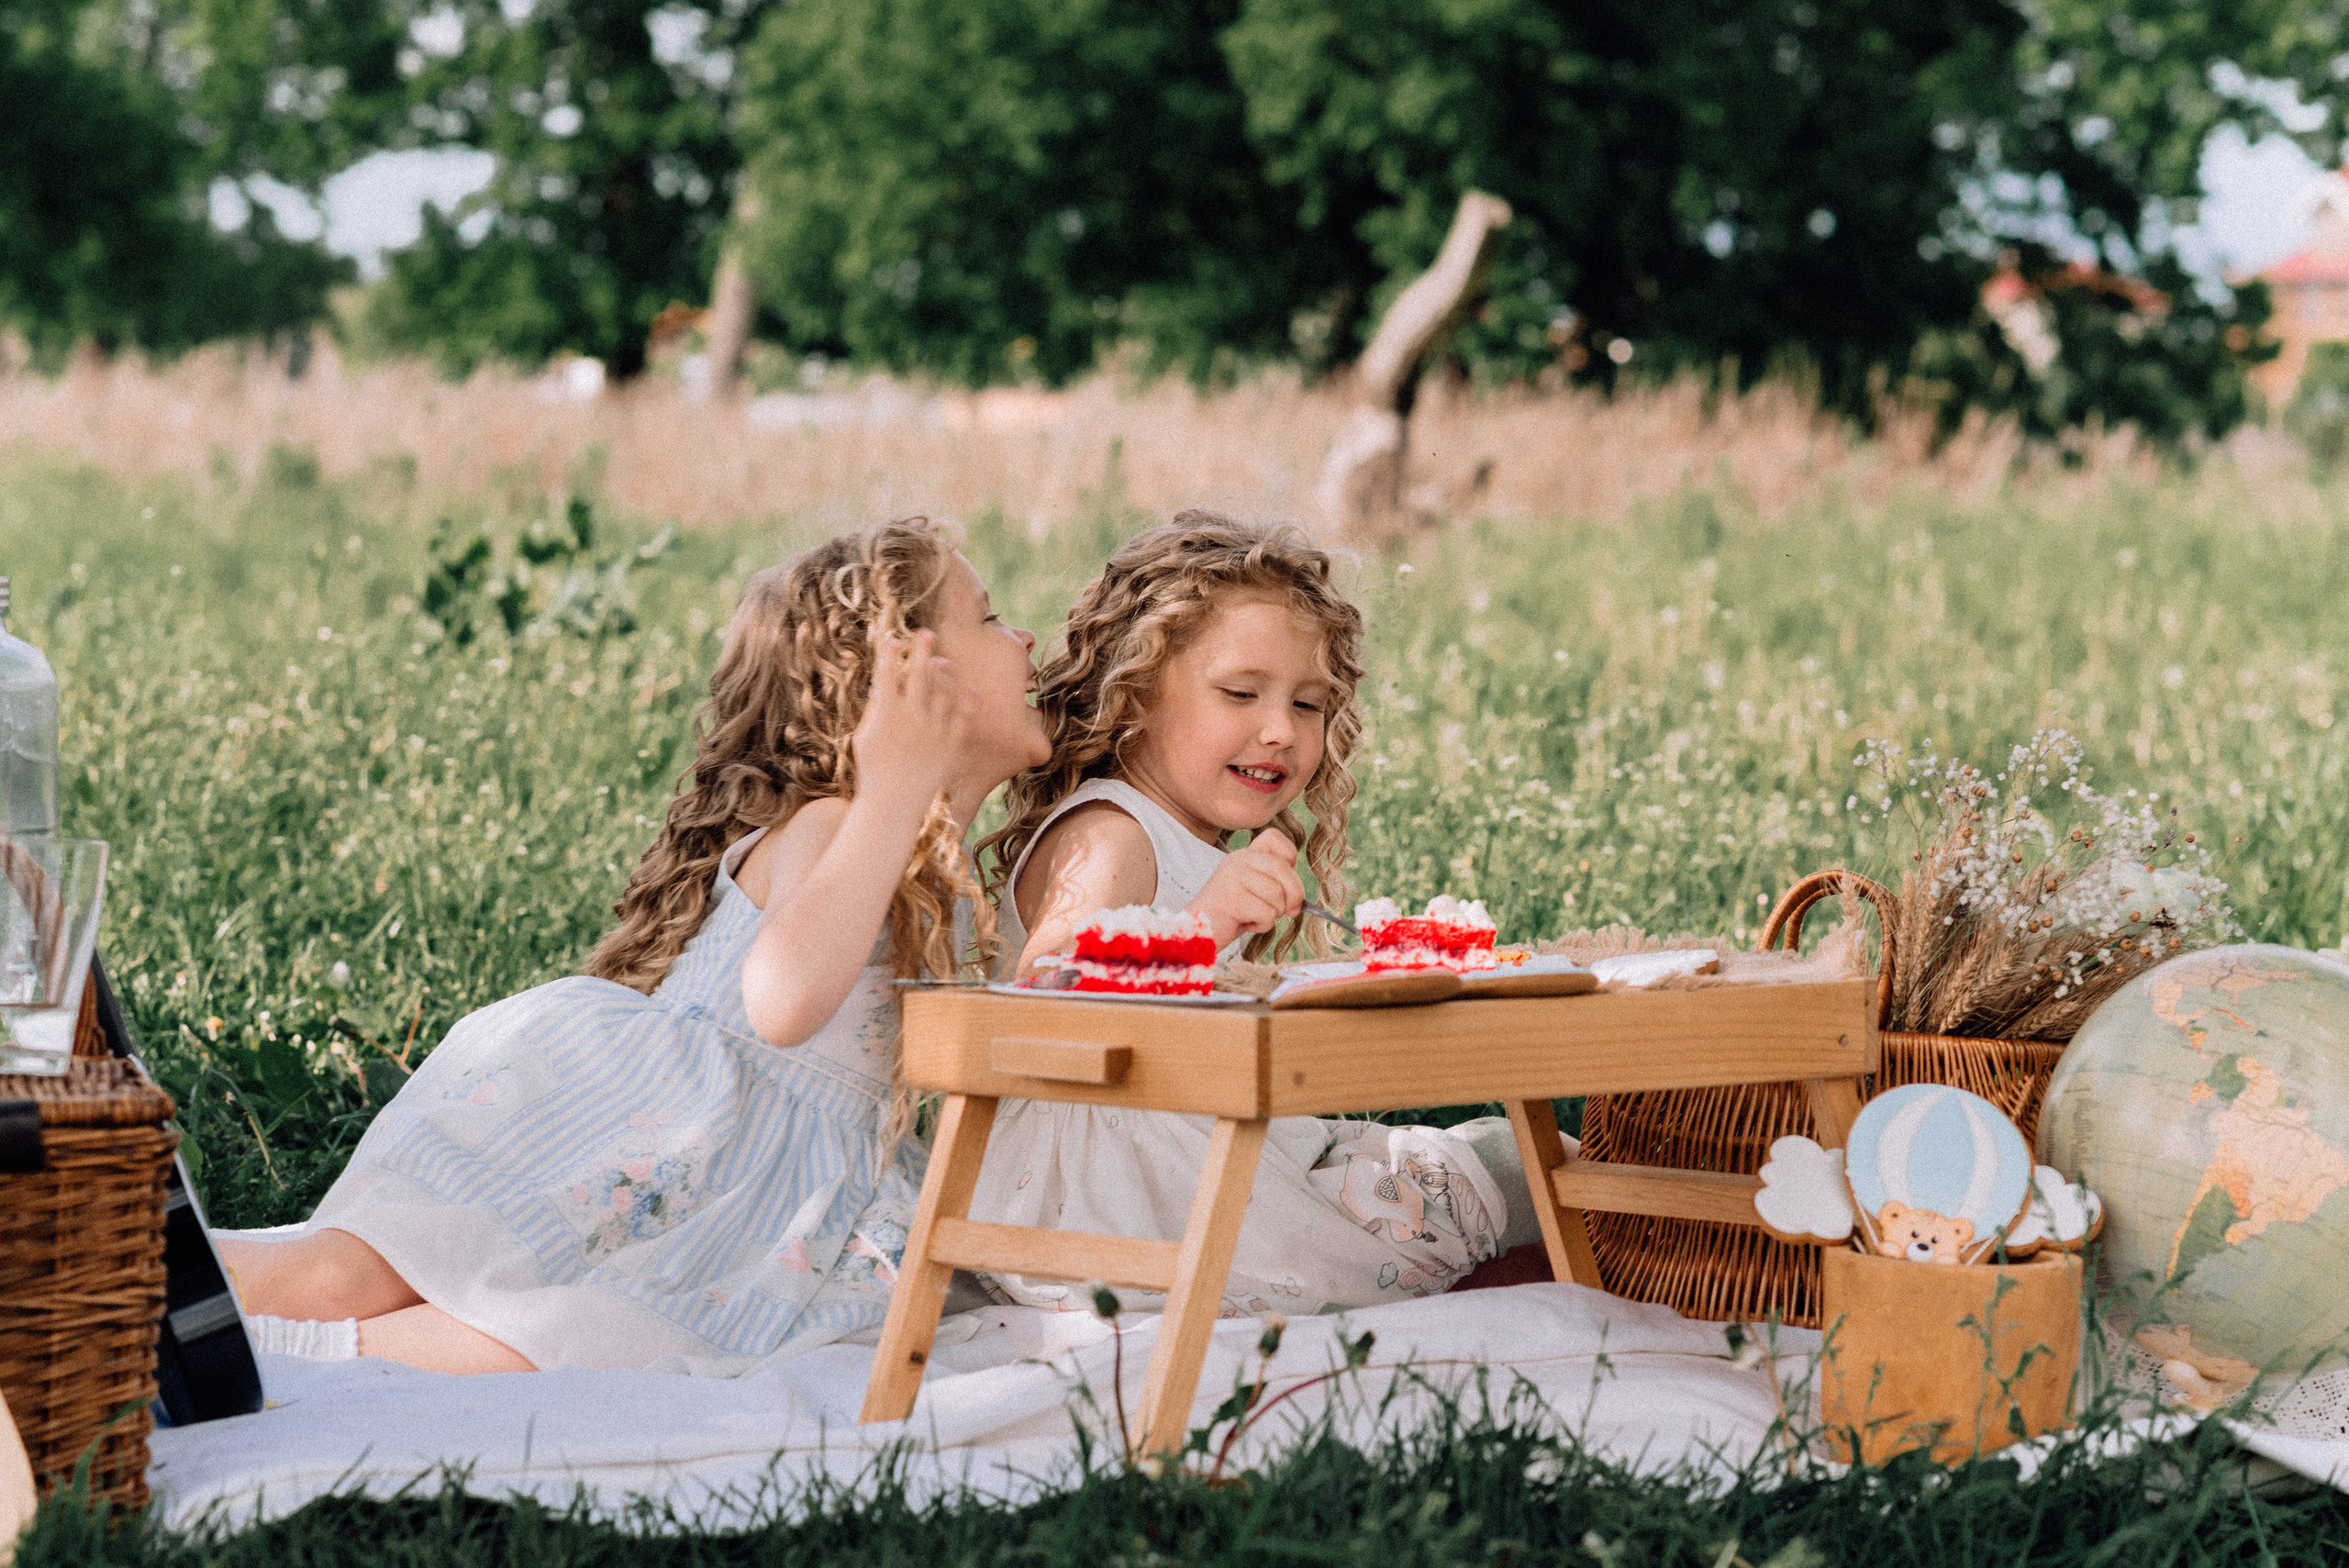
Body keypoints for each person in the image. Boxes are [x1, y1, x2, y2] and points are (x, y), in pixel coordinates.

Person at [217, 518, 1050, 1375]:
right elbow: (785, 999)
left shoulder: (929, 879)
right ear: (903, 679)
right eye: (989, 618)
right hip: (659, 1124)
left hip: (757, 1187)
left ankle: (282, 1359)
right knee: (362, 1270)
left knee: (592, 1335)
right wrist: (896, 788)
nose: (1025, 637)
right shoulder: (834, 825)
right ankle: (129, 1286)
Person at [970, 511, 1537, 1317]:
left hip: (1173, 1163)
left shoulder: (1187, 835)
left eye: (1310, 705)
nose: (1280, 730)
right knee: (1514, 1169)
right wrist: (1202, 924)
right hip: (1114, 1197)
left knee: (1506, 1165)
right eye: (1241, 693)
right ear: (1133, 695)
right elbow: (1049, 990)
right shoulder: (1113, 831)